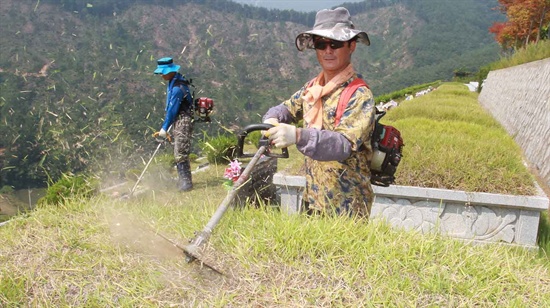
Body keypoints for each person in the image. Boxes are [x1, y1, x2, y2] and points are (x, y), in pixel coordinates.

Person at [262, 7, 376, 218]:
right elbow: (287, 108)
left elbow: (342, 144)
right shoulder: (313, 88)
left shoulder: (359, 94)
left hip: (347, 208)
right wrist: (272, 117)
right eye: (321, 44)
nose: (327, 51)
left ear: (351, 46)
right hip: (312, 200)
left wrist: (298, 135)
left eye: (335, 44)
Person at [153, 57, 194, 191]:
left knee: (180, 151)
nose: (162, 76)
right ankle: (183, 181)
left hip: (183, 120)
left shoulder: (177, 88)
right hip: (179, 119)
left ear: (170, 71)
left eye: (163, 73)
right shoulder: (174, 81)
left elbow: (172, 110)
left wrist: (164, 128)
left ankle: (186, 183)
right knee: (179, 150)